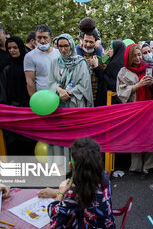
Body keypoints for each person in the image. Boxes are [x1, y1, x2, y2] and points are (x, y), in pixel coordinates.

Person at [48, 33, 93, 172]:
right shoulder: (55, 62)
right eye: (60, 46)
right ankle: (62, 169)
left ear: (71, 46)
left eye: (66, 46)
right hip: (58, 105)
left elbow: (84, 84)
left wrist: (69, 93)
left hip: (74, 104)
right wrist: (58, 89)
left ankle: (76, 169)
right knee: (60, 136)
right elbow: (50, 82)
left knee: (75, 137)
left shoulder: (80, 62)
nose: (63, 49)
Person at [48, 138, 115, 228]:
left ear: (71, 165)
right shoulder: (104, 175)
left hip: (88, 225)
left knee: (60, 222)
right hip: (108, 225)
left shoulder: (76, 193)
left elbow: (53, 212)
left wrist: (60, 192)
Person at [117, 43, 153, 179]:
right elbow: (121, 92)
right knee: (136, 136)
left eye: (139, 54)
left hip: (149, 107)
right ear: (128, 57)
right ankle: (136, 166)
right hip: (134, 109)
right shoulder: (123, 72)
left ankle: (149, 166)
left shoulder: (148, 68)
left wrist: (152, 84)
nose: (137, 58)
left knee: (149, 135)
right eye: (134, 55)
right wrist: (138, 85)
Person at [24, 24, 60, 96]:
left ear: (51, 39)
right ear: (35, 39)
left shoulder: (58, 53)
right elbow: (30, 82)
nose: (42, 41)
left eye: (45, 37)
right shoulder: (30, 56)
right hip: (42, 97)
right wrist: (35, 99)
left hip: (59, 95)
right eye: (39, 38)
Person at [75, 29, 102, 105]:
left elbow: (102, 76)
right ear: (81, 40)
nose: (88, 45)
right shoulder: (75, 53)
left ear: (96, 42)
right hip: (79, 96)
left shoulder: (100, 54)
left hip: (95, 96)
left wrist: (96, 65)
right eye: (86, 41)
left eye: (91, 42)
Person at [99, 40, 126, 105]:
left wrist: (97, 68)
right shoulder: (122, 63)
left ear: (117, 50)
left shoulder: (114, 64)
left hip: (111, 100)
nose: (109, 50)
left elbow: (107, 81)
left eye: (111, 48)